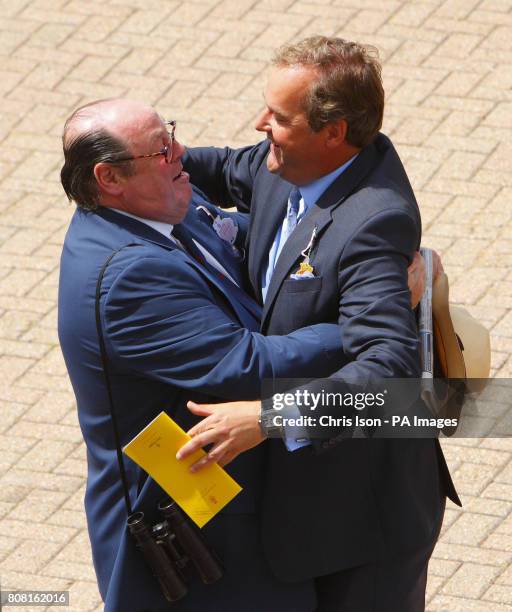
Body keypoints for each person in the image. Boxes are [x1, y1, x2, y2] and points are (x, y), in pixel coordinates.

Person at [179, 36, 461, 611]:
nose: (260, 125)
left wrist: (268, 418)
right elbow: (222, 167)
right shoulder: (286, 159)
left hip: (363, 523)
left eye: (279, 118)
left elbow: (388, 372)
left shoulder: (373, 225)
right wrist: (139, 161)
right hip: (305, 507)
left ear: (334, 132)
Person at [58, 98, 356, 612]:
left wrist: (354, 262)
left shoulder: (167, 204)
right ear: (110, 178)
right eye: (160, 149)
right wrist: (362, 323)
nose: (181, 153)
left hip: (240, 496)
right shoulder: (129, 279)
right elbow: (250, 367)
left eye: (169, 133)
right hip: (192, 527)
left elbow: (260, 243)